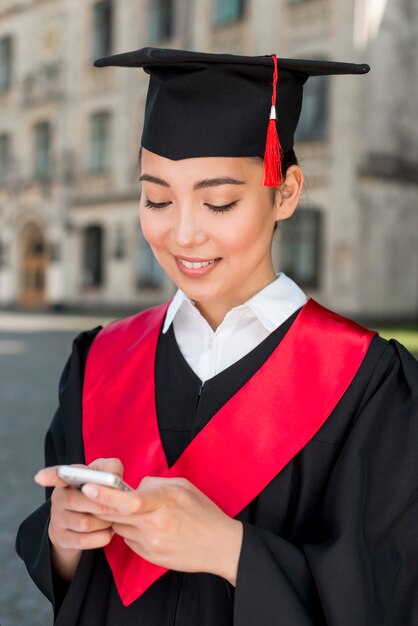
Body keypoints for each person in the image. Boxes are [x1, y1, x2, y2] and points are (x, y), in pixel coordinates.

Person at [16, 48, 418, 626]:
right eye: (156, 198)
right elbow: (70, 578)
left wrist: (230, 551)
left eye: (219, 201)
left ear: (285, 193)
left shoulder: (368, 383)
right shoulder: (101, 360)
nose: (182, 233)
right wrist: (63, 537)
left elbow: (390, 592)